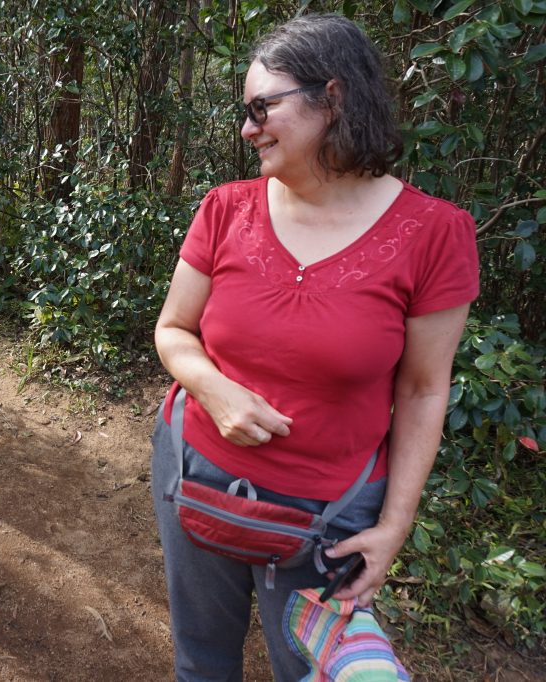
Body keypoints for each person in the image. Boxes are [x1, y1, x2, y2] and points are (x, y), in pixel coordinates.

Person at [151, 14, 479, 681]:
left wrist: (394, 526)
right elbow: (173, 330)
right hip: (192, 474)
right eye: (245, 112)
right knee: (200, 663)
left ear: (332, 98)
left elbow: (423, 388)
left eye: (262, 107)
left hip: (328, 523)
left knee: (308, 671)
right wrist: (216, 392)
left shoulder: (434, 234)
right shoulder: (225, 208)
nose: (248, 128)